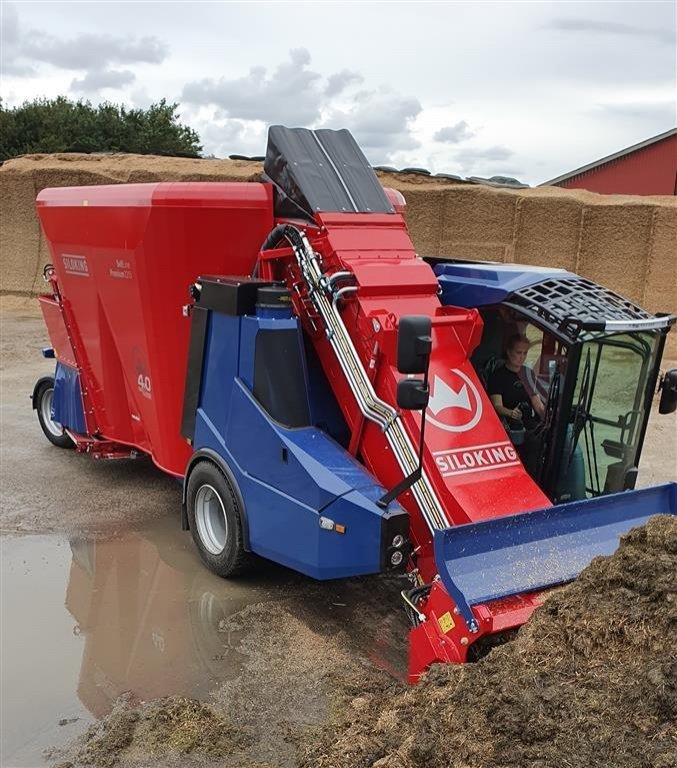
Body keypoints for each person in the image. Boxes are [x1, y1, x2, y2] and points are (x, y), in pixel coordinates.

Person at [488, 333, 545, 431]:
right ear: (509, 352)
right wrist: (510, 413)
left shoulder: (528, 373)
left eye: (525, 353)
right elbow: (497, 405)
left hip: (529, 422)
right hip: (509, 426)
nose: (522, 357)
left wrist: (545, 415)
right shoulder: (497, 376)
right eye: (518, 353)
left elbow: (535, 400)